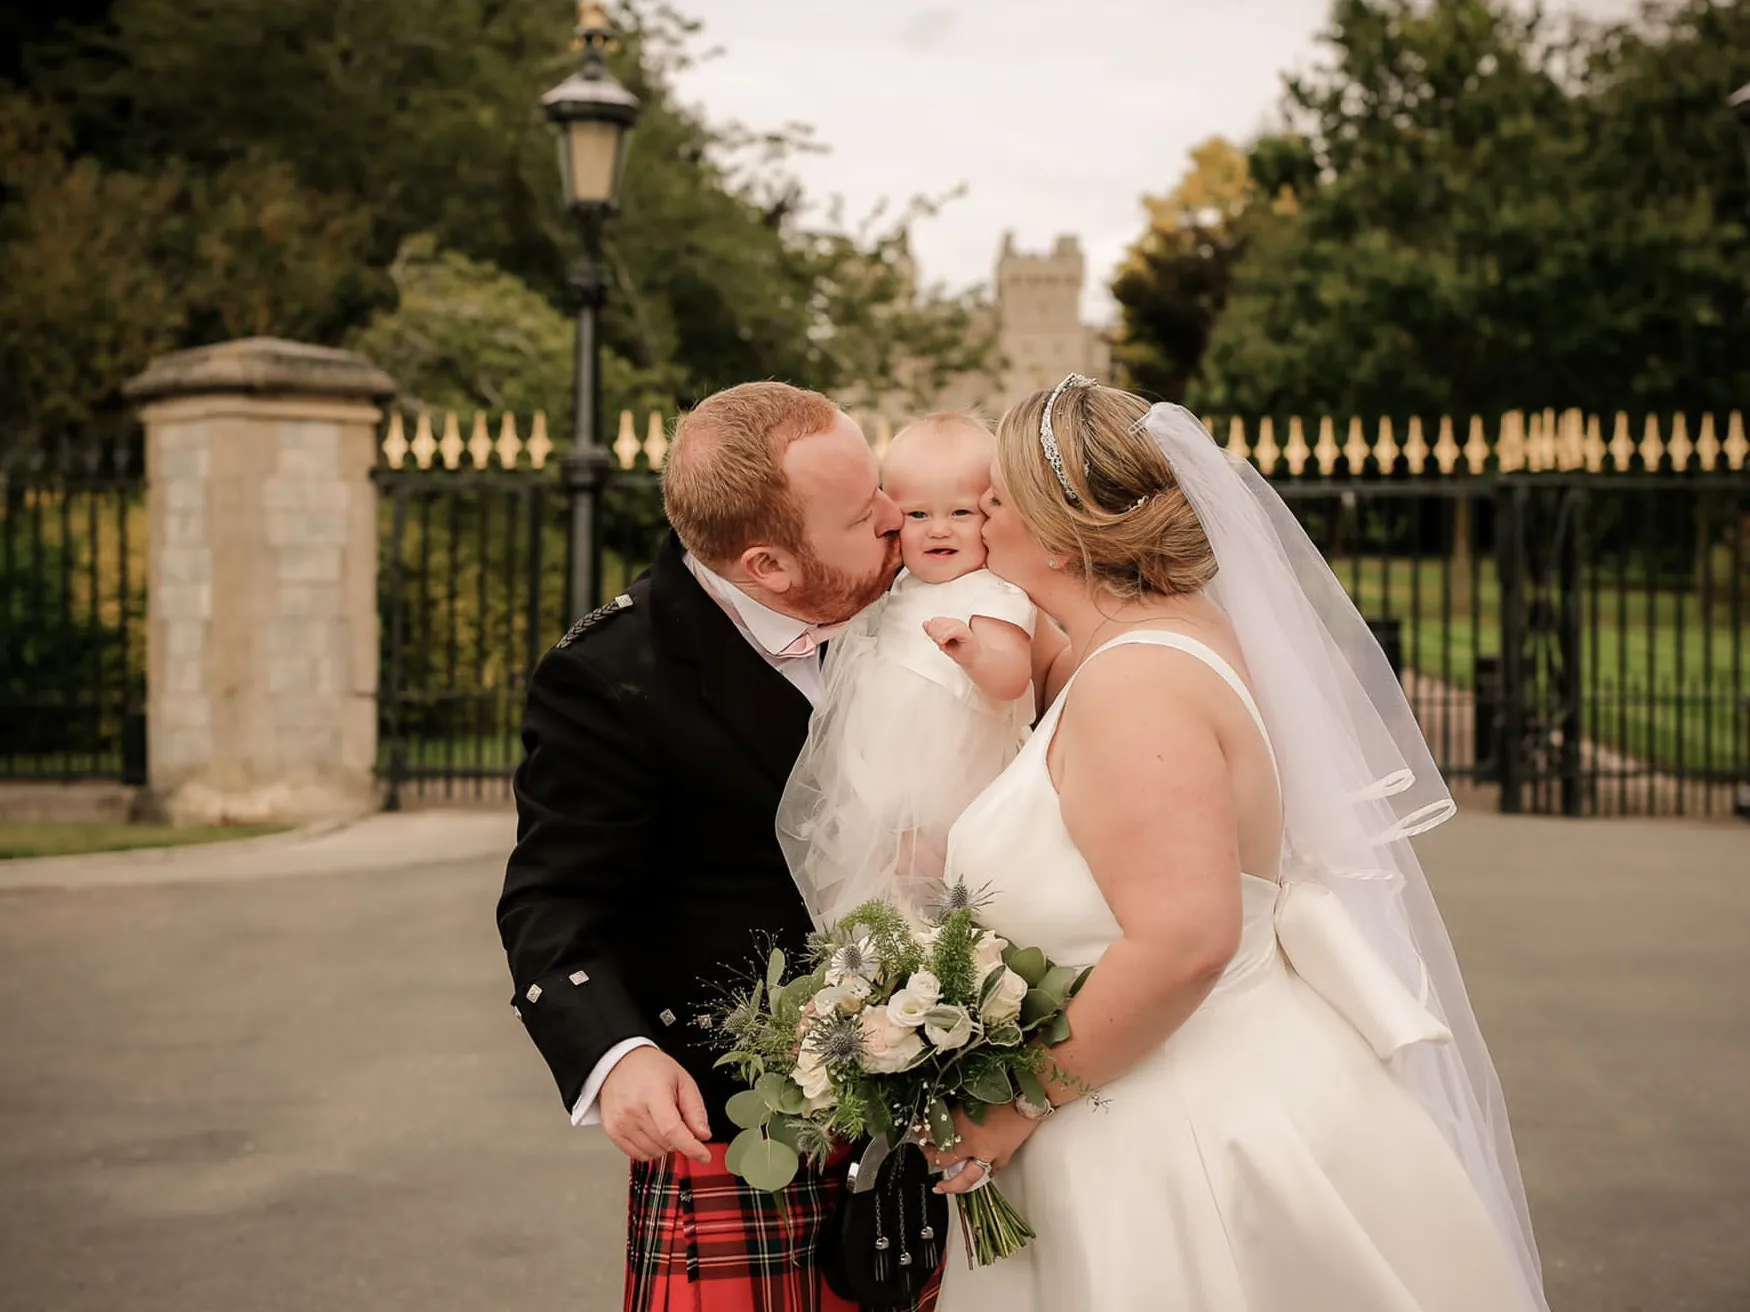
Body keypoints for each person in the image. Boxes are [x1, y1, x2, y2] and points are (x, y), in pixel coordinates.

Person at [924, 376, 1550, 1311]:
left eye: (996, 502)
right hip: (1179, 1084)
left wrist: (1010, 1106)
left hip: (1174, 1132)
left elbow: (1185, 940)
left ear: (1060, 536)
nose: (975, 520)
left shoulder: (1136, 688)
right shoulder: (1154, 633)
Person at [498, 381, 939, 1312]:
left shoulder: (936, 604)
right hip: (753, 1132)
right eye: (866, 517)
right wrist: (613, 1053)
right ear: (769, 565)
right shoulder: (611, 679)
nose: (902, 521)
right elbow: (553, 904)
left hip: (945, 1099)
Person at [778, 412, 1050, 929]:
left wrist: (971, 651)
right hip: (879, 780)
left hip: (959, 780)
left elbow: (1013, 678)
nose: (939, 529)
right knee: (879, 895)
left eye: (961, 512)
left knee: (950, 892)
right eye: (918, 515)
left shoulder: (995, 593)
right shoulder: (899, 589)